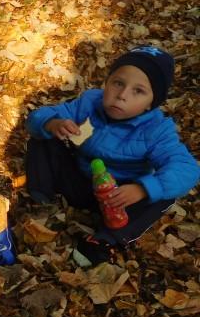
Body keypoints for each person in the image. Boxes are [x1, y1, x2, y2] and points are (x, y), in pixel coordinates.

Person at [26, 45, 199, 264]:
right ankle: (41, 199)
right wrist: (53, 123)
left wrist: (142, 189)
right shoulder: (89, 103)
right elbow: (38, 116)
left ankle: (106, 239)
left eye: (138, 91)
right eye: (118, 83)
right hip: (80, 180)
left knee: (163, 194)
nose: (122, 95)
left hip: (119, 199)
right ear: (107, 83)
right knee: (43, 136)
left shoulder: (157, 130)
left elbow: (186, 168)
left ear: (151, 104)